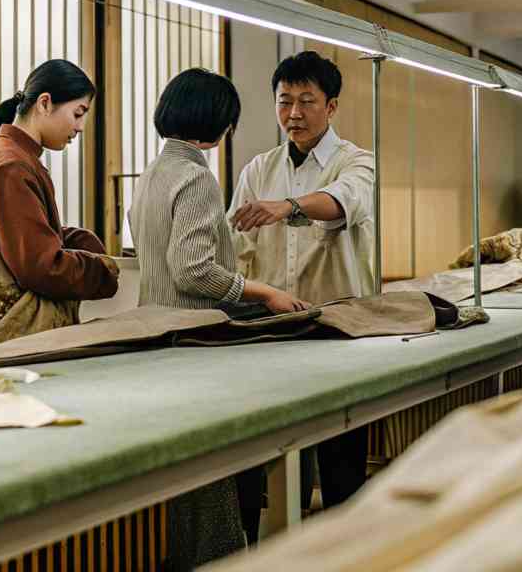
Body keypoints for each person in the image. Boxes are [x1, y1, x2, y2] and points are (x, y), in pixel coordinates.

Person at [129, 68, 308, 569]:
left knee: (183, 478)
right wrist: (264, 291)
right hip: (194, 346)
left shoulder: (150, 176)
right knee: (212, 484)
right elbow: (194, 273)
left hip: (154, 342)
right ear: (215, 125)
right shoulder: (196, 176)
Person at [230, 50, 375, 511]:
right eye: (284, 100)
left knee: (342, 464)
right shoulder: (259, 169)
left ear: (331, 106)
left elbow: (343, 202)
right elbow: (239, 249)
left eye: (307, 101)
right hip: (274, 332)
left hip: (341, 331)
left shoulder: (359, 162)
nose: (293, 114)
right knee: (276, 456)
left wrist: (288, 206)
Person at [0, 59, 119, 346]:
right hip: (17, 328)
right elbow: (41, 267)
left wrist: (78, 239)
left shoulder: (3, 156)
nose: (80, 127)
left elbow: (14, 240)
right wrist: (103, 272)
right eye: (78, 113)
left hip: (5, 328)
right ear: (44, 103)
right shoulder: (11, 166)